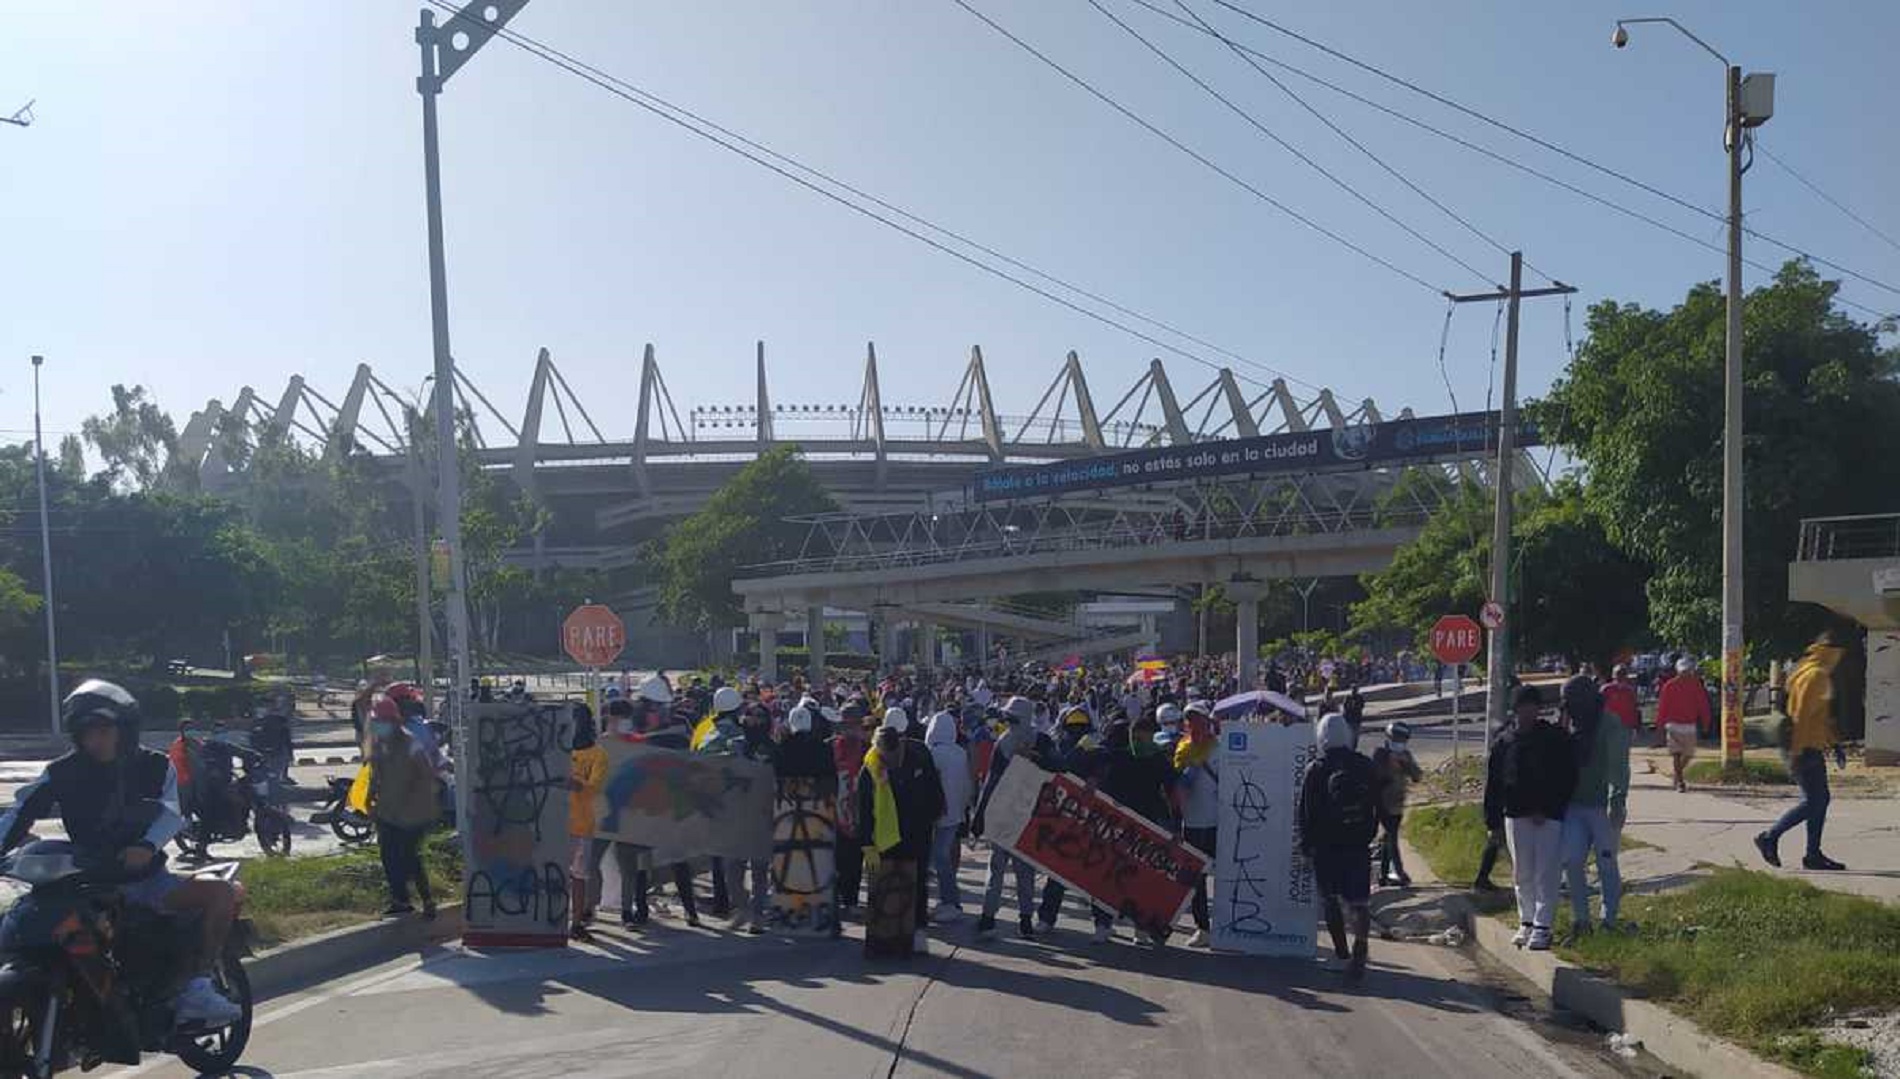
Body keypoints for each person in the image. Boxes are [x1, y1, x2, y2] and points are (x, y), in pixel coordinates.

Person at [0, 680, 242, 1027]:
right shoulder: (62, 772)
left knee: (219, 893)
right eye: (86, 732)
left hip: (146, 879)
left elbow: (171, 812)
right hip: (85, 880)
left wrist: (145, 846)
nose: (95, 739)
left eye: (103, 729)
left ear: (123, 730)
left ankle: (197, 987)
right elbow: (19, 810)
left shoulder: (154, 766)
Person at [1484, 684, 1578, 951]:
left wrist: (1546, 807)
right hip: (1515, 815)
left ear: (1538, 709)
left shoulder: (1553, 738)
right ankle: (1526, 921)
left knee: (1546, 872)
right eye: (1522, 706)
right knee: (1521, 872)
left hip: (1548, 817)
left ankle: (1543, 925)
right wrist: (1492, 822)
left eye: (1532, 706)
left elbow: (1566, 777)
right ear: (1515, 709)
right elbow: (1495, 784)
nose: (1527, 712)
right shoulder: (1505, 741)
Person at [1755, 632, 1849, 872]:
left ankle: (1813, 854)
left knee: (1820, 800)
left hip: (1810, 746)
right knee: (1815, 800)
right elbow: (1802, 717)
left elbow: (1821, 717)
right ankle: (1770, 837)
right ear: (1832, 652)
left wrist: (1834, 743)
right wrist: (1796, 752)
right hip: (1803, 747)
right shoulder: (1815, 675)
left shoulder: (1809, 669)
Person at [1298, 713, 1379, 982]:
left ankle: (1341, 954)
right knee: (1359, 902)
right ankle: (1362, 946)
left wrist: (1306, 845)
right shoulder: (1365, 766)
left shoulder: (1316, 769)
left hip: (1326, 847)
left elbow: (1306, 812)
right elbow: (1376, 804)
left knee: (1330, 899)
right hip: (1358, 844)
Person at [858, 710, 945, 957]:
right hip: (885, 835)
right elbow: (863, 807)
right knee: (884, 883)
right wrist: (866, 843)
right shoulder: (871, 766)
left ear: (901, 747)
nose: (889, 762)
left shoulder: (920, 755)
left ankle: (918, 930)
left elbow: (934, 789)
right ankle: (882, 935)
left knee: (917, 881)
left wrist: (933, 815)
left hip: (917, 831)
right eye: (885, 756)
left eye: (893, 757)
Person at [1089, 715, 1177, 947]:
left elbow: (1172, 792)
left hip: (1146, 826)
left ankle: (1138, 927)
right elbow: (1102, 785)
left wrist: (1174, 825)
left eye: (1142, 736)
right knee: (1108, 873)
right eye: (1135, 735)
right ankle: (1103, 923)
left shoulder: (1157, 760)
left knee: (1138, 878)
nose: (1137, 740)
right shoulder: (1119, 756)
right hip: (1119, 824)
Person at [971, 696, 1050, 940]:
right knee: (1007, 871)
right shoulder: (1024, 741)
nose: (1009, 722)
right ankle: (994, 918)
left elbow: (1059, 768)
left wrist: (980, 814)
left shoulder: (1034, 743)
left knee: (1013, 872)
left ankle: (1011, 920)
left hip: (1021, 815)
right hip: (1013, 816)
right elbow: (992, 781)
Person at [1563, 682, 1631, 934]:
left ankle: (1609, 919)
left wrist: (1618, 800)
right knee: (1572, 862)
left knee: (1606, 862)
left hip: (1602, 807)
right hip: (1573, 805)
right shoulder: (1568, 722)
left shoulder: (1609, 724)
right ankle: (1581, 920)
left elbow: (1618, 765)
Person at [366, 694, 440, 922]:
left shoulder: (411, 744)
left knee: (408, 855)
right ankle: (400, 901)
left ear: (395, 722)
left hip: (413, 812)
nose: (378, 727)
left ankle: (427, 899)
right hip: (388, 810)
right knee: (389, 856)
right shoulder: (379, 745)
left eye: (382, 722)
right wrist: (370, 798)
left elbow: (427, 776)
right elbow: (375, 773)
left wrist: (412, 798)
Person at [1173, 702, 1220, 948]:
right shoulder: (1182, 749)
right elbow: (1174, 784)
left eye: (1199, 720)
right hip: (1191, 823)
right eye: (1190, 721)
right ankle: (1203, 929)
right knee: (1196, 879)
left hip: (1219, 822)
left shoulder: (1220, 748)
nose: (1194, 725)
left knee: (1226, 876)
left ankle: (1227, 926)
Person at [924, 710, 974, 924]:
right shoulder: (960, 753)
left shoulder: (933, 754)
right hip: (956, 813)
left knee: (940, 858)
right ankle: (949, 901)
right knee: (942, 857)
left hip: (938, 813)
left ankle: (951, 902)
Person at [566, 704, 608, 942]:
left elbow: (595, 786)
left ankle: (577, 922)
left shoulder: (597, 755)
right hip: (555, 824)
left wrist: (577, 783)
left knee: (579, 876)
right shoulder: (557, 748)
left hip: (582, 823)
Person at [1371, 721, 1423, 888]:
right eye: (1397, 738)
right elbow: (1375, 776)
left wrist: (1405, 764)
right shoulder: (1380, 754)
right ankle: (1400, 873)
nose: (1400, 743)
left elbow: (1417, 776)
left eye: (1403, 739)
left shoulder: (1405, 755)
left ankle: (1384, 875)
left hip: (1398, 803)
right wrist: (1388, 764)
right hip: (1382, 803)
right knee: (1392, 838)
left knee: (1388, 838)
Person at [832, 701, 871, 913]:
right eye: (847, 724)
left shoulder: (868, 748)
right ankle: (839, 895)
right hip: (838, 807)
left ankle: (851, 899)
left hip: (858, 806)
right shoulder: (833, 746)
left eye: (854, 724)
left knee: (855, 857)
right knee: (839, 855)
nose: (851, 728)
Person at [1656, 657, 1711, 792]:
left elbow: (1703, 706)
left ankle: (1677, 774)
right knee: (1676, 754)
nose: (1685, 674)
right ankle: (1680, 782)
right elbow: (1663, 707)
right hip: (1673, 724)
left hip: (1689, 725)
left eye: (1687, 671)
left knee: (1689, 754)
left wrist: (1705, 722)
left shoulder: (1696, 685)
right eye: (1683, 671)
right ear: (1678, 671)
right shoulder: (1669, 685)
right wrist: (1660, 726)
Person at [1602, 664, 1642, 732]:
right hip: (1609, 725)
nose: (1620, 676)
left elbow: (1634, 708)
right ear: (1613, 675)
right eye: (1618, 673)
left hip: (1626, 725)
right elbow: (1599, 706)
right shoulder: (1606, 689)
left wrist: (1636, 725)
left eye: (1623, 673)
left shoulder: (1629, 691)